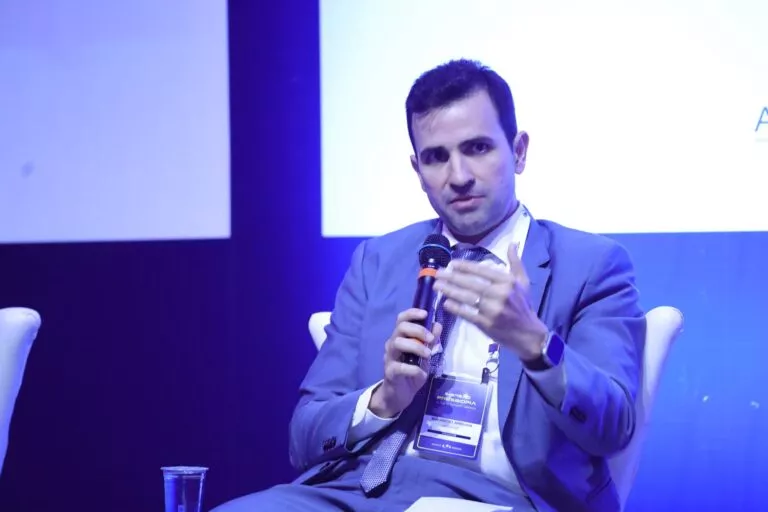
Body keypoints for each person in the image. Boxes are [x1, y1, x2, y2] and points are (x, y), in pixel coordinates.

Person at [213, 58, 645, 512]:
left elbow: (613, 427)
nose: (458, 176)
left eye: (477, 148)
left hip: (499, 499)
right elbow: (304, 437)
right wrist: (383, 399)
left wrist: (534, 342)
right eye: (437, 157)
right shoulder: (377, 261)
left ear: (518, 151)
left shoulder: (591, 265)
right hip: (355, 493)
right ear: (417, 170)